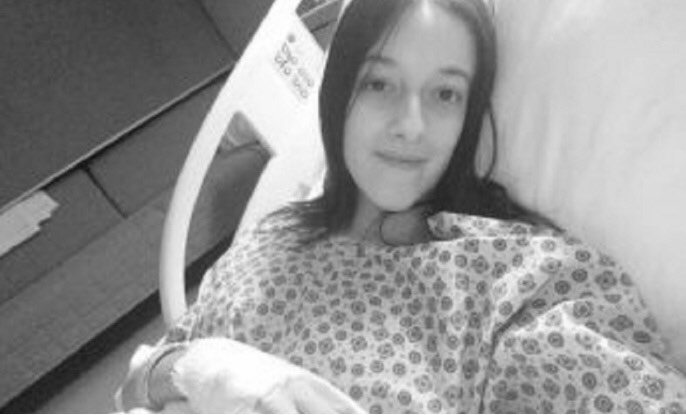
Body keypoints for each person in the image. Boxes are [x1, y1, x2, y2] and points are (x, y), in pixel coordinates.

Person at [118, 0, 686, 413]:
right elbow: (140, 383)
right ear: (340, 91)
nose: (410, 125)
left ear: (468, 116)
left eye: (445, 94)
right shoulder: (273, 237)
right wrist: (199, 369)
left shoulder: (512, 279)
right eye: (379, 83)